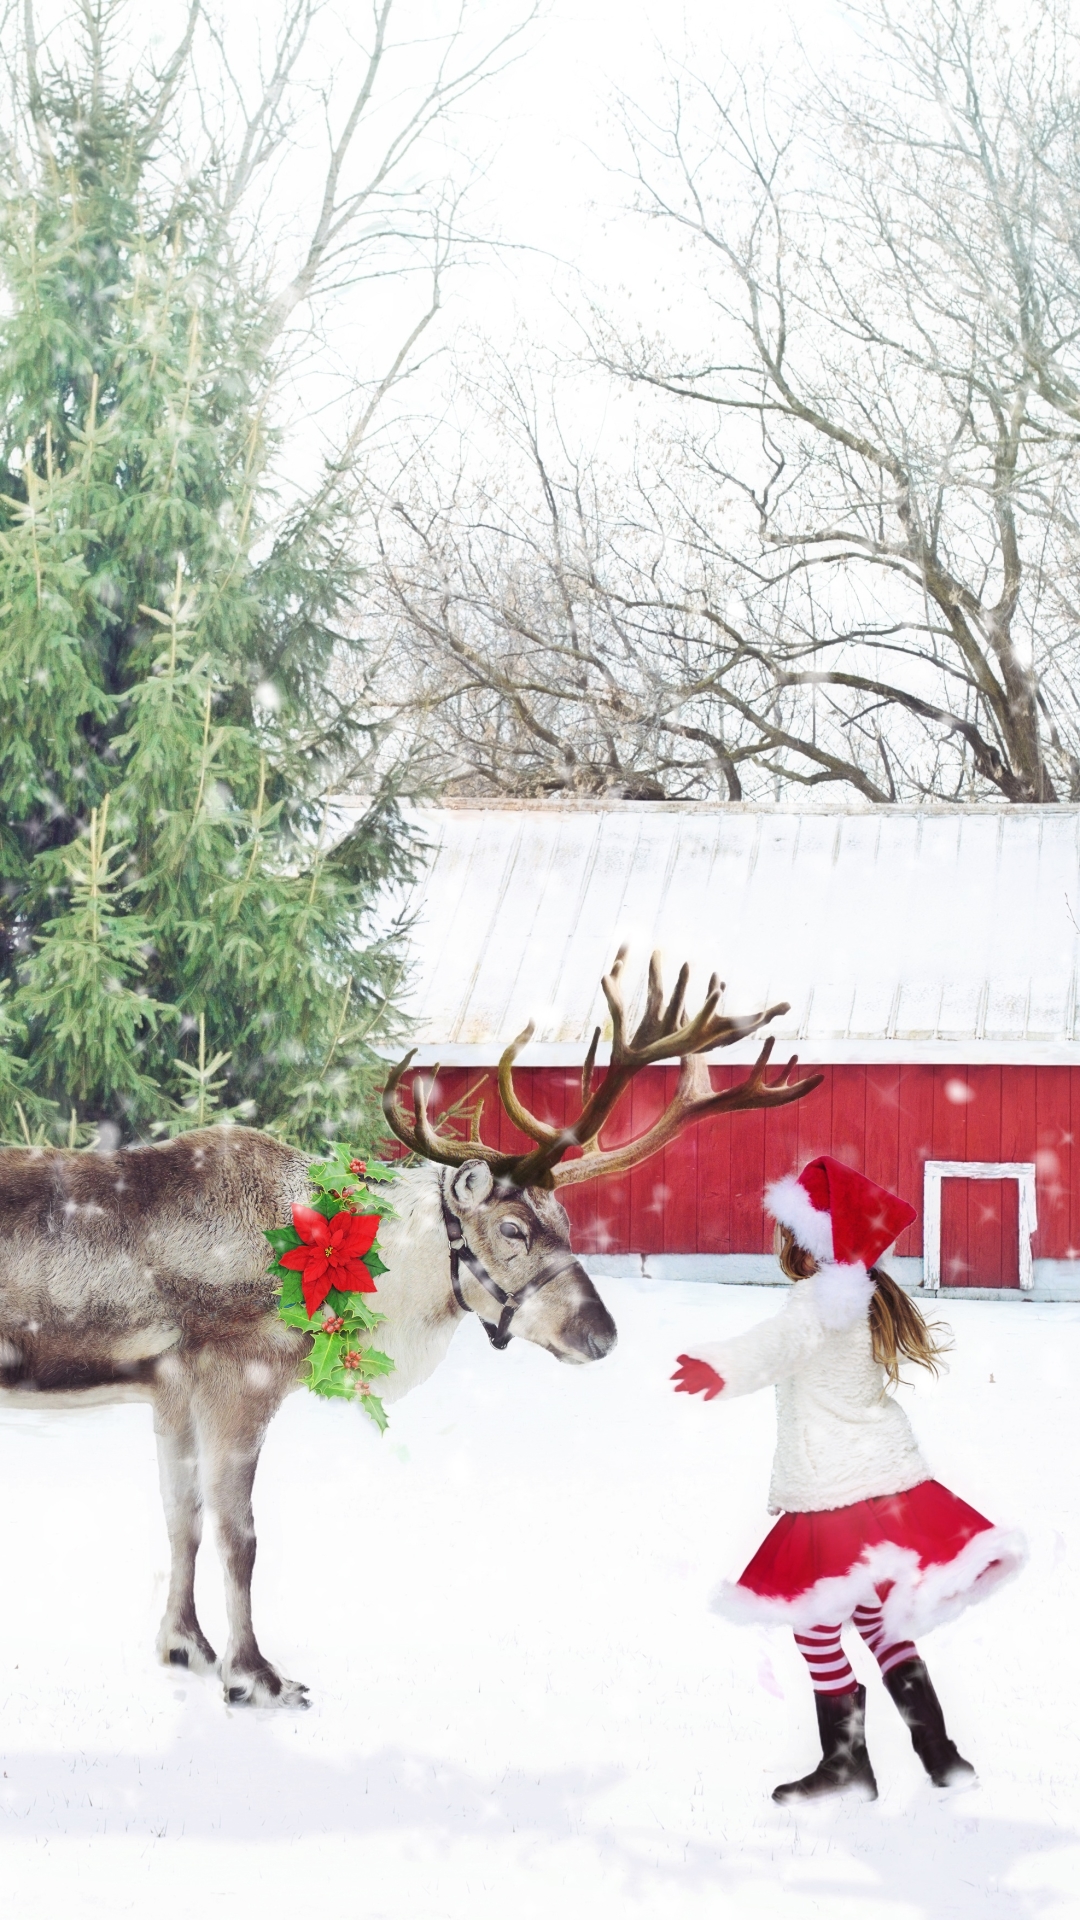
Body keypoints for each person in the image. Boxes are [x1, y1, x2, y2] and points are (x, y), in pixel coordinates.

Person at [672, 1156, 1026, 1803]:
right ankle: (941, 1757)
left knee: (815, 1623)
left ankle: (846, 1764)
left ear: (809, 1245)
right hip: (880, 1480)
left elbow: (776, 1345)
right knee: (877, 1621)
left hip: (835, 1487)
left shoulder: (818, 1304)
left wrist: (723, 1368)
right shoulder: (860, 1293)